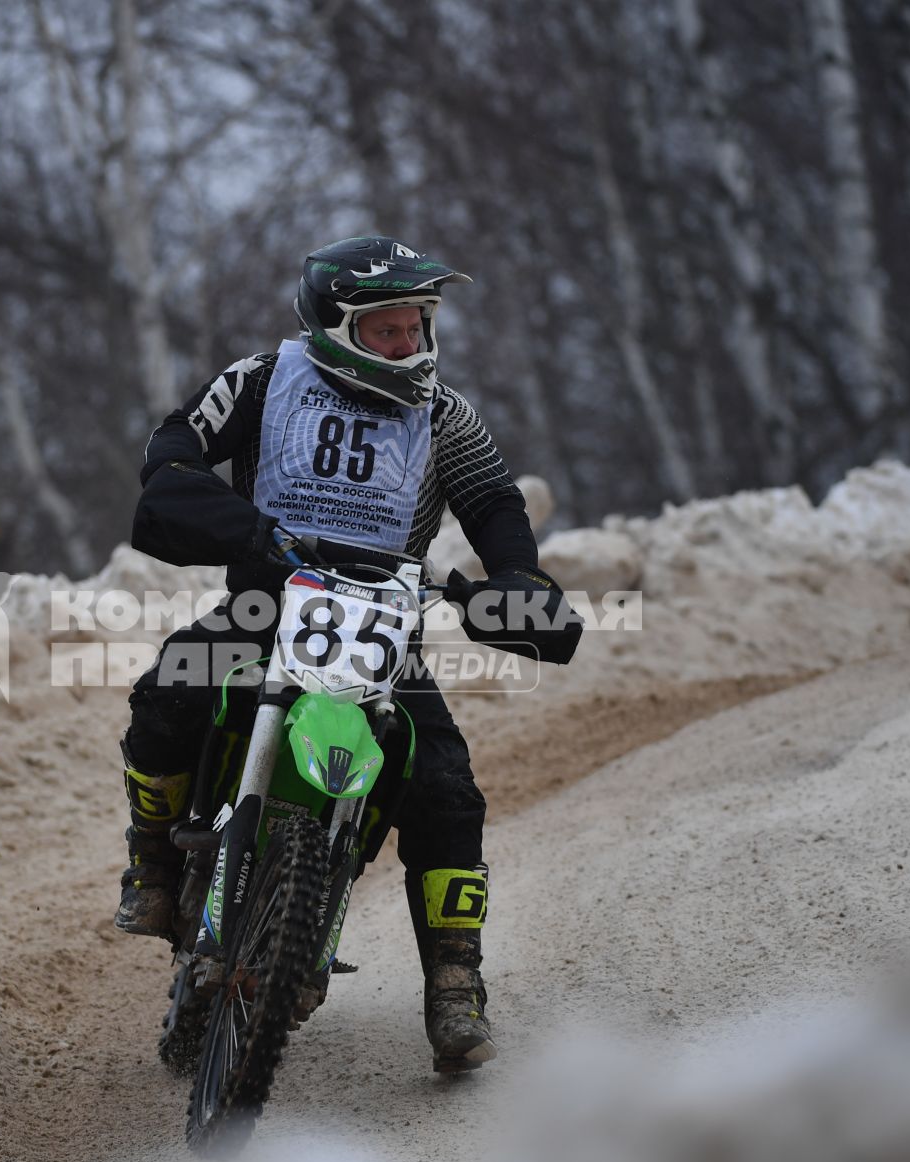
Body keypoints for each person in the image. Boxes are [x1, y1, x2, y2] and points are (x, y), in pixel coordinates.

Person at [116, 235, 579, 1073]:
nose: (408, 345)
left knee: (446, 791)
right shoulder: (260, 381)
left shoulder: (445, 414)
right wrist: (232, 524)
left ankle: (454, 980)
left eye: (416, 327)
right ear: (336, 325)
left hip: (384, 626)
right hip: (269, 599)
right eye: (388, 331)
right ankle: (150, 858)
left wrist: (514, 581)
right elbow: (173, 448)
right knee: (167, 695)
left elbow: (495, 507)